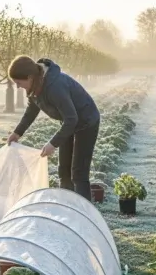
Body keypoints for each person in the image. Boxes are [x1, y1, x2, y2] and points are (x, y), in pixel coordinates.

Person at [6, 55, 101, 201]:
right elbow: (32, 109)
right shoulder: (35, 86)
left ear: (30, 77)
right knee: (64, 170)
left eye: (19, 82)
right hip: (68, 122)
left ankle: (84, 213)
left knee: (78, 173)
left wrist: (53, 144)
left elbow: (72, 119)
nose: (18, 87)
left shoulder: (55, 86)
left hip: (86, 121)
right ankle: (67, 206)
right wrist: (18, 132)